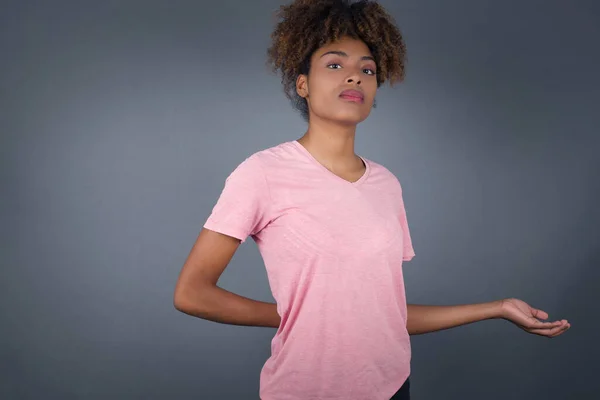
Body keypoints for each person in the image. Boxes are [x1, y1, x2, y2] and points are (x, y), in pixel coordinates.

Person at [173, 1, 570, 399]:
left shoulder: (386, 184)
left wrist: (498, 308)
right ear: (302, 84)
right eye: (334, 65)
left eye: (367, 70)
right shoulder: (262, 173)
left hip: (393, 388)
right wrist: (292, 316)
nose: (355, 76)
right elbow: (192, 293)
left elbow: (386, 317)